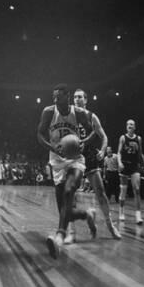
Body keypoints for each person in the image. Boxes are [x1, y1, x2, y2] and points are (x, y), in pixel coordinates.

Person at [37, 84, 96, 259]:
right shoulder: (48, 111)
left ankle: (60, 236)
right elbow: (39, 135)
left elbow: (93, 131)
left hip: (75, 159)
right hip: (56, 160)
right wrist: (52, 147)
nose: (55, 100)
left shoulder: (78, 112)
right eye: (54, 97)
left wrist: (84, 141)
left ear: (67, 97)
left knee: (70, 190)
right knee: (65, 210)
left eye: (59, 97)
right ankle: (87, 214)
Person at [73, 89, 121, 241]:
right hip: (74, 157)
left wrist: (101, 150)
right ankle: (71, 232)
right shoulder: (69, 115)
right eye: (75, 97)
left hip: (90, 156)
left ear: (86, 100)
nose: (77, 99)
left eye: (80, 97)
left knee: (100, 193)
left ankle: (110, 225)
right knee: (71, 195)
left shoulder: (91, 116)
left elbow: (104, 136)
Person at [117, 119, 144, 224]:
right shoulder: (123, 138)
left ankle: (138, 215)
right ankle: (121, 212)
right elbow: (119, 152)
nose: (130, 126)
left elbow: (141, 154)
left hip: (135, 166)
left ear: (134, 127)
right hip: (124, 166)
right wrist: (120, 163)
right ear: (126, 127)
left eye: (132, 124)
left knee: (137, 189)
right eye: (128, 124)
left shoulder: (138, 139)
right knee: (123, 192)